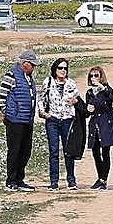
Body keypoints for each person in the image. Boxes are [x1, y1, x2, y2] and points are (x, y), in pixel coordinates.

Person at [0, 49, 38, 191]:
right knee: (14, 150)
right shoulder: (11, 75)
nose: (34, 67)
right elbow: (2, 96)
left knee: (26, 151)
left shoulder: (29, 77)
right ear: (25, 63)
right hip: (15, 120)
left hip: (27, 120)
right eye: (33, 64)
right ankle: (11, 180)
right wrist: (7, 113)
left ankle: (20, 179)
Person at [38, 57, 81, 190]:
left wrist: (75, 102)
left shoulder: (71, 83)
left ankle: (71, 180)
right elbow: (41, 99)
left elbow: (77, 100)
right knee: (54, 151)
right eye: (60, 68)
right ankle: (54, 182)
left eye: (65, 68)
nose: (63, 71)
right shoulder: (48, 82)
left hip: (67, 120)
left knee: (68, 151)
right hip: (53, 121)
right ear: (55, 69)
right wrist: (43, 113)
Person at [84, 65, 113, 190]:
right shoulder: (89, 93)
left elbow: (111, 99)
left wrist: (102, 88)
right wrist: (87, 110)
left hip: (105, 124)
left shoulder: (107, 90)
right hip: (95, 125)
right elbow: (87, 112)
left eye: (96, 75)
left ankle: (103, 180)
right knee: (95, 153)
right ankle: (100, 178)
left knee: (106, 152)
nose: (93, 78)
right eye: (91, 76)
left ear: (101, 77)